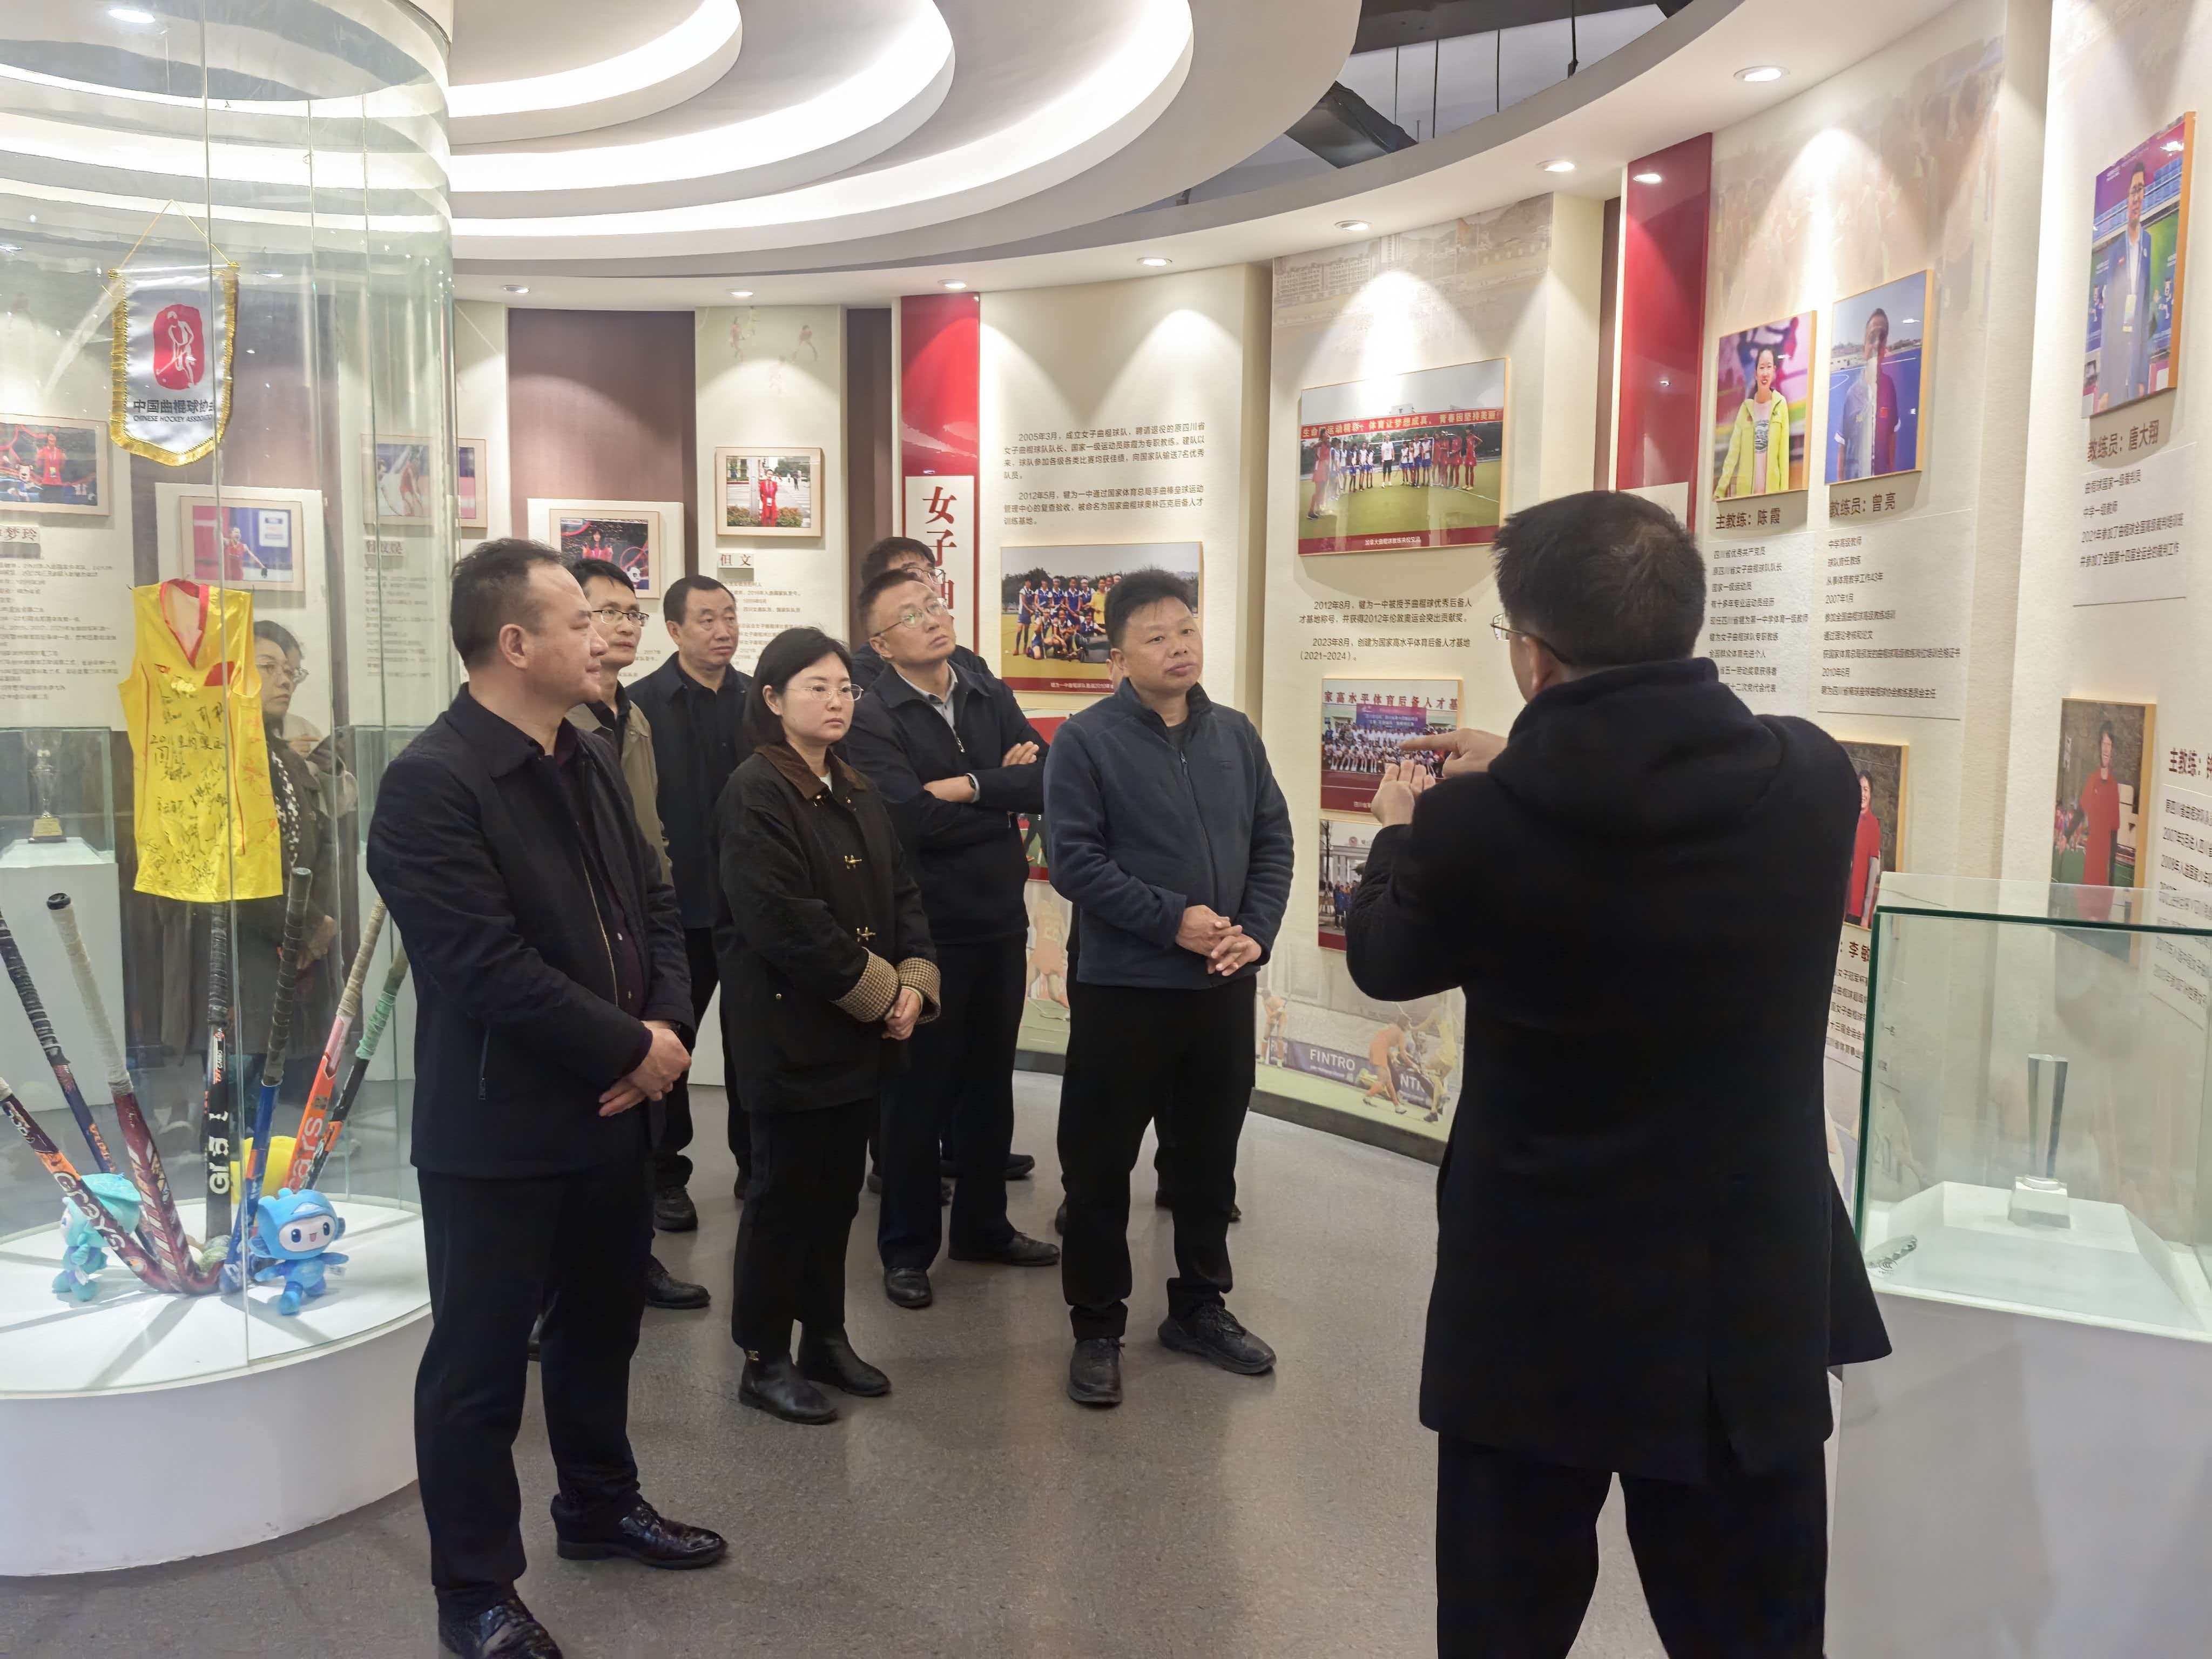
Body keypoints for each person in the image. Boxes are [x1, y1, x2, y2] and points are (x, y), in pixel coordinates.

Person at [1337, 491, 1889, 1658]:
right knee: (1752, 1629)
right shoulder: (1811, 777)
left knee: (1504, 1621)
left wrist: (1399, 829)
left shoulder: (1472, 829)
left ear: (1533, 657)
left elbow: (1384, 957)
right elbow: (1647, 793)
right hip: (1741, 1290)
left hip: (1535, 1296)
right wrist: (1520, 764)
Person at [367, 541, 723, 1659]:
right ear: (514, 643)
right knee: (477, 1369)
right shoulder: (431, 783)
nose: (606, 636)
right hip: (500, 1127)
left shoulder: (589, 755)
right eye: (581, 619)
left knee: (601, 1328)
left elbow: (655, 903)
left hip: (614, 1110)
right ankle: (474, 1589)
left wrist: (665, 1032)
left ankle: (599, 1504)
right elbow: (483, 966)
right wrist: (634, 1046)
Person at [1043, 569, 1293, 1408]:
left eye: (1186, 629)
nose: (1179, 647)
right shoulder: (1085, 742)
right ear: (1118, 657)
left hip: (1221, 986)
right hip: (1125, 989)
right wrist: (1169, 920)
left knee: (1208, 1161)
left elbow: (1273, 839)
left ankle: (1199, 1307)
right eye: (1156, 637)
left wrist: (1256, 930)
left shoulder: (1236, 735)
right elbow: (1074, 862)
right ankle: (1097, 1326)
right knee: (1100, 1165)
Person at [714, 628, 939, 1423]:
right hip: (789, 1033)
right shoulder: (754, 791)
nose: (837, 701)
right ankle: (762, 1357)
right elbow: (785, 922)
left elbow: (903, 893)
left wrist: (916, 981)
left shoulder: (855, 784)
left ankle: (825, 1338)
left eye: (845, 687)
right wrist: (881, 992)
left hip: (856, 1036)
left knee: (839, 1194)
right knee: (783, 1198)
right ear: (774, 699)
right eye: (817, 687)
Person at [842, 570, 1061, 1312]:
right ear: (881, 645)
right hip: (926, 930)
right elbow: (908, 820)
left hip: (999, 917)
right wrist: (1000, 792)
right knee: (917, 1094)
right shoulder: (874, 715)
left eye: (934, 604)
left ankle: (983, 1226)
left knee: (990, 1083)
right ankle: (906, 1249)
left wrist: (968, 786)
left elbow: (1046, 780)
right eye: (910, 615)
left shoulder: (984, 689)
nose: (933, 618)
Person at [569, 556, 710, 1315]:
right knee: (592, 1107)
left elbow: (651, 840)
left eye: (632, 612)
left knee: (641, 1106)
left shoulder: (633, 716)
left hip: (644, 925)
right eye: (605, 611)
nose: (623, 626)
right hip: (587, 943)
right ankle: (560, 1288)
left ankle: (633, 1258)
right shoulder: (564, 722)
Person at [629, 574, 750, 1221]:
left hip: (752, 907)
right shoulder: (639, 706)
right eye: (706, 619)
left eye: (729, 616)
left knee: (756, 1044)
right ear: (674, 630)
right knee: (671, 1042)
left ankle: (756, 1165)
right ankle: (664, 1175)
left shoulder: (761, 701)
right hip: (678, 908)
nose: (723, 630)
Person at [243, 621, 340, 1103]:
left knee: (297, 1096)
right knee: (239, 1096)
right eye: (268, 667)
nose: (283, 680)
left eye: (290, 671)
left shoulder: (283, 755)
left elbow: (316, 844)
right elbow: (241, 864)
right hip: (250, 944)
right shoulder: (224, 756)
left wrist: (315, 923)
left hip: (297, 939)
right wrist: (302, 924)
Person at [850, 535, 995, 690]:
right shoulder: (862, 673)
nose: (930, 585)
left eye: (932, 574)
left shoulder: (968, 662)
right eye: (912, 574)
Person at [2101, 160, 2157, 406]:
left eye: (2141, 190)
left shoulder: (2149, 244)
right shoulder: (2116, 252)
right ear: (2126, 197)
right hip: (2118, 348)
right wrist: (2104, 388)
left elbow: (2146, 317)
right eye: (2133, 191)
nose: (2137, 198)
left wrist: (2143, 377)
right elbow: (2108, 321)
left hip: (2136, 353)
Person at [1834, 306, 1900, 481]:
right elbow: (1842, 446)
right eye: (1872, 338)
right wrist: (1840, 485)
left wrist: (1891, 473)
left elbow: (1892, 436)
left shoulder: (1890, 388)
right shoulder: (1852, 395)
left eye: (1882, 338)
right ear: (1864, 347)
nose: (1877, 344)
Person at [1716, 345, 1790, 497]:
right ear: (1756, 373)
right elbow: (1733, 453)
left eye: (1769, 367)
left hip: (1772, 496)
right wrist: (1720, 490)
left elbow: (1784, 455)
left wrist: (1784, 494)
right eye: (1761, 368)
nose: (1765, 373)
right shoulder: (1746, 408)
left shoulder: (1780, 404)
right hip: (1746, 497)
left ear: (1774, 370)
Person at [2073, 722, 2123, 884]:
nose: (2106, 749)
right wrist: (2066, 835)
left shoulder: (2114, 786)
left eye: (2109, 745)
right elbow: (2081, 811)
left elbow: (2114, 832)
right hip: (2091, 857)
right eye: (2104, 744)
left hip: (2104, 861)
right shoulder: (2092, 779)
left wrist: (2112, 875)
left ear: (2113, 750)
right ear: (2099, 747)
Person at [1845, 772, 1884, 926]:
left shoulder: (1873, 825)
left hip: (1858, 910)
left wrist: (1866, 915)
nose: (1862, 794)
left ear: (1871, 794)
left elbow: (1873, 871)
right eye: (1860, 789)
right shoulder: (1848, 819)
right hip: (1841, 905)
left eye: (1866, 790)